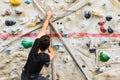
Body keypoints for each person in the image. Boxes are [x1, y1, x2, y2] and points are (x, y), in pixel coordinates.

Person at [21, 10, 55, 80]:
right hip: (32, 78)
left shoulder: (35, 45)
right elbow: (52, 54)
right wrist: (49, 47)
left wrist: (48, 17)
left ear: (39, 43)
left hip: (24, 75)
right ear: (46, 48)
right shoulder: (43, 57)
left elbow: (43, 28)